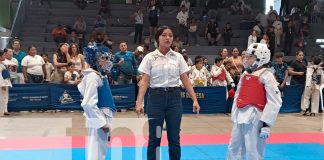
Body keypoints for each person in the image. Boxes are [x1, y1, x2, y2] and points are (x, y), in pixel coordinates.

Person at [135, 26, 200, 160]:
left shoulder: (178, 57)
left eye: (170, 35)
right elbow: (144, 82)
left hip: (174, 99)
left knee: (174, 138)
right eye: (164, 35)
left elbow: (185, 80)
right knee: (155, 138)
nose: (168, 38)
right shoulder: (150, 57)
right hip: (155, 99)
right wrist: (139, 102)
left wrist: (195, 99)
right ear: (158, 38)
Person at [227, 43, 282, 160]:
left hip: (256, 118)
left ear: (260, 58)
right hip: (240, 116)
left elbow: (275, 101)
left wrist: (266, 124)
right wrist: (234, 113)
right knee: (234, 148)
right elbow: (238, 94)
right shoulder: (246, 73)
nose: (246, 59)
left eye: (250, 57)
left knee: (254, 151)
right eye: (246, 56)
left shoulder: (267, 75)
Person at [78, 40, 115, 160]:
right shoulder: (93, 77)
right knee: (96, 152)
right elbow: (88, 103)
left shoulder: (99, 75)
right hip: (99, 117)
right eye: (103, 58)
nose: (107, 61)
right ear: (95, 60)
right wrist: (101, 123)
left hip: (102, 115)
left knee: (100, 151)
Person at [0, 50, 12, 116]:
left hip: (6, 82)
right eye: (4, 55)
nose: (5, 56)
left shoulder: (3, 63)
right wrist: (2, 85)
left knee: (5, 97)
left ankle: (5, 110)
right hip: (2, 83)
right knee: (1, 97)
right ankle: (1, 112)